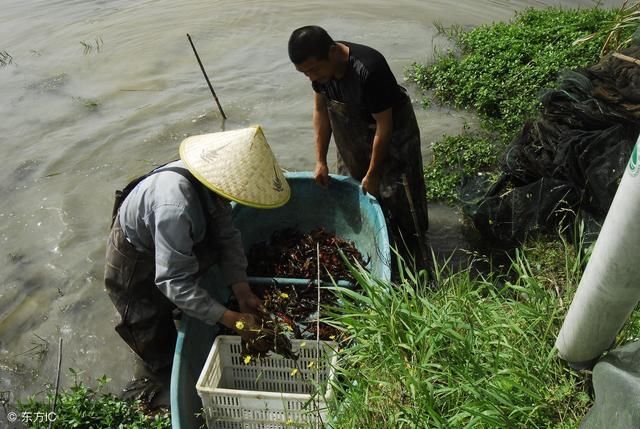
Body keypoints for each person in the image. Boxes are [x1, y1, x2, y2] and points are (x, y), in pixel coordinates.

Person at [104, 126, 290, 373]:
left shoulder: (214, 182)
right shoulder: (175, 207)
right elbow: (172, 279)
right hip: (136, 255)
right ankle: (158, 378)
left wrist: (242, 291)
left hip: (171, 231)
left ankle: (190, 311)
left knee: (193, 275)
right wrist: (232, 320)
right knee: (146, 326)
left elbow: (227, 236)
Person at [288, 25, 430, 273]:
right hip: (352, 134)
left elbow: (384, 127)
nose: (311, 77)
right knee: (354, 191)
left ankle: (417, 258)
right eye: (304, 73)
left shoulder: (369, 69)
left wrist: (374, 174)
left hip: (393, 135)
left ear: (332, 52)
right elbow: (321, 111)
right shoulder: (321, 75)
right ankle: (377, 245)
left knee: (401, 197)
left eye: (313, 70)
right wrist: (320, 160)